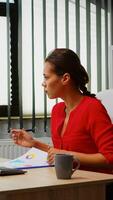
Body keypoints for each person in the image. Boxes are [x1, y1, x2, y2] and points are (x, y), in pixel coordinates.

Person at [11, 48, 113, 175]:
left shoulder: (93, 108)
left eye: (46, 77)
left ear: (65, 78)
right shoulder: (57, 110)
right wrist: (34, 143)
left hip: (96, 186)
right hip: (68, 182)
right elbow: (60, 153)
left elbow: (109, 158)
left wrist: (67, 154)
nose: (43, 83)